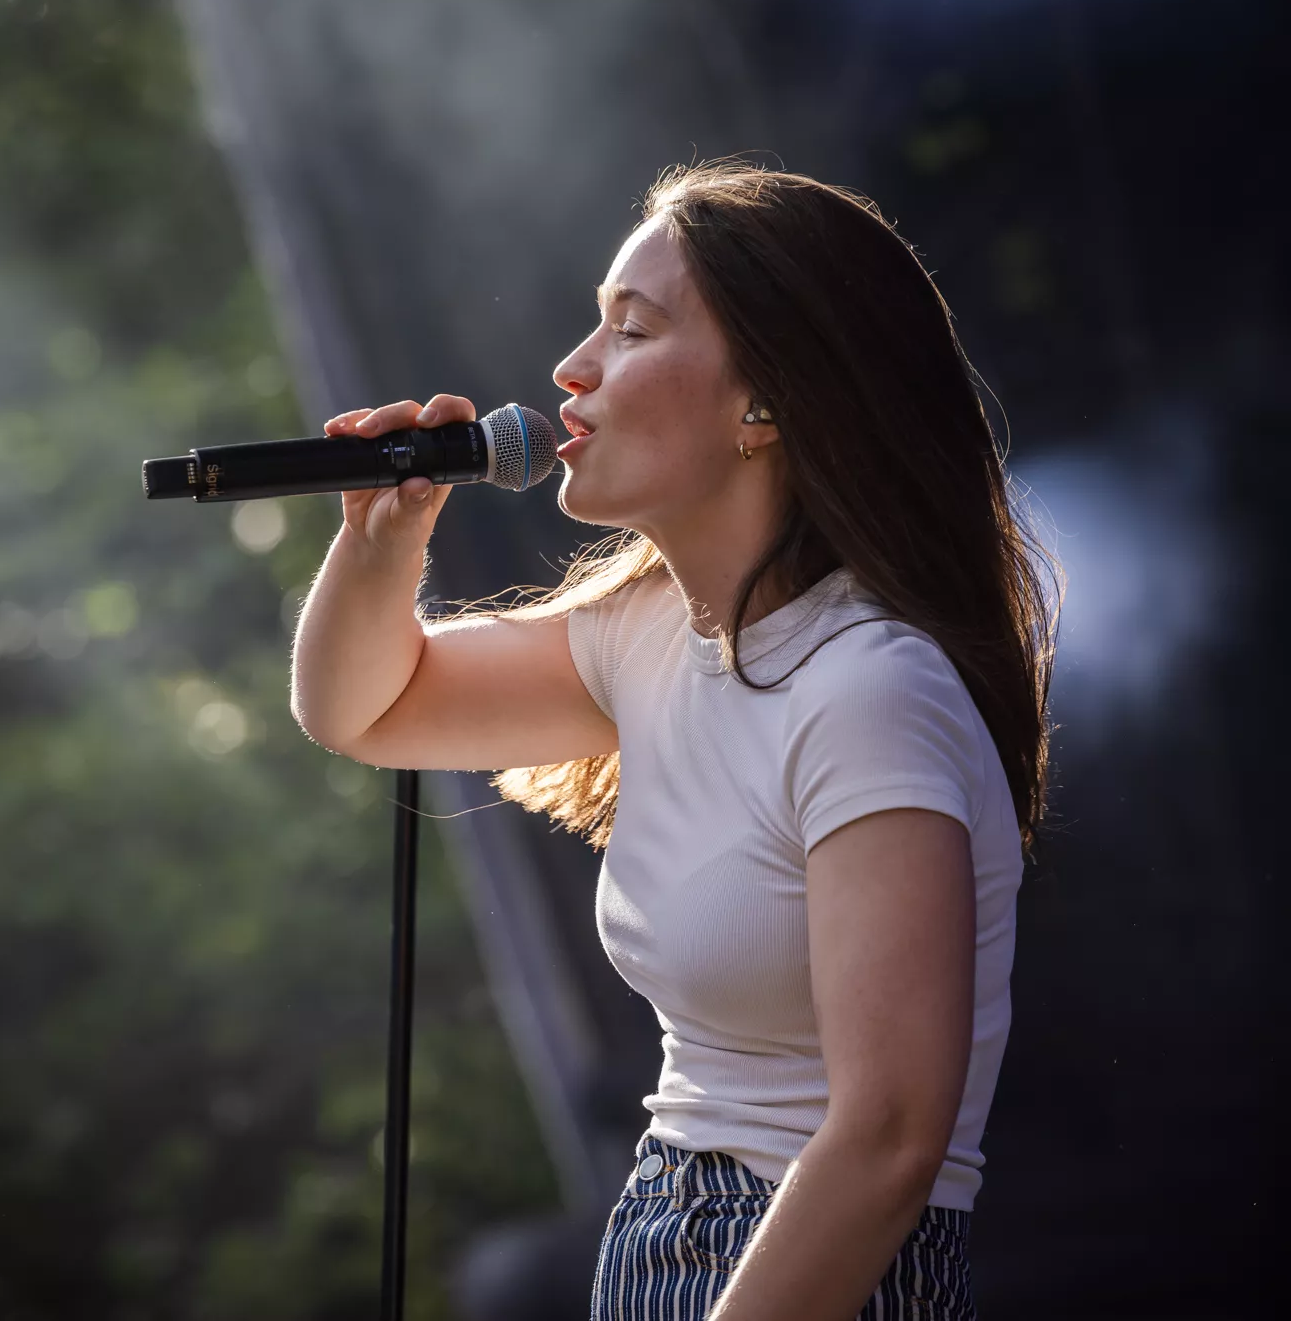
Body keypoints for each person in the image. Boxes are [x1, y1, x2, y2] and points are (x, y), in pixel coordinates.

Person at [289, 161, 1055, 1321]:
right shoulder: (646, 633)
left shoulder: (866, 690)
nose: (570, 368)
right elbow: (362, 710)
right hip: (663, 1229)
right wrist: (381, 542)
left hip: (819, 1262)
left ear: (765, 404)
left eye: (630, 329)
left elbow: (891, 1136)